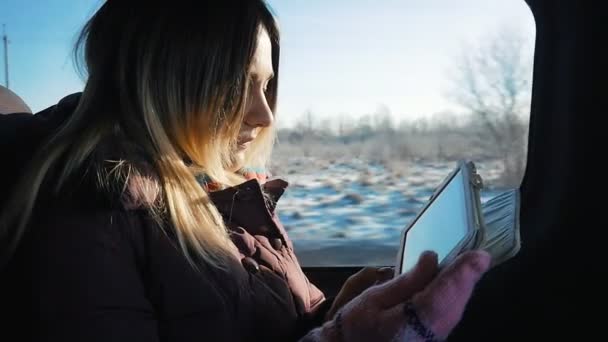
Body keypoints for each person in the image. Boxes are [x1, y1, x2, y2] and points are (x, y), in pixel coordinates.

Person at [0, 1, 491, 341]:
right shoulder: (83, 219)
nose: (264, 116)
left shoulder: (215, 187)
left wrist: (337, 309)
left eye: (266, 86)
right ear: (166, 81)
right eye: (237, 87)